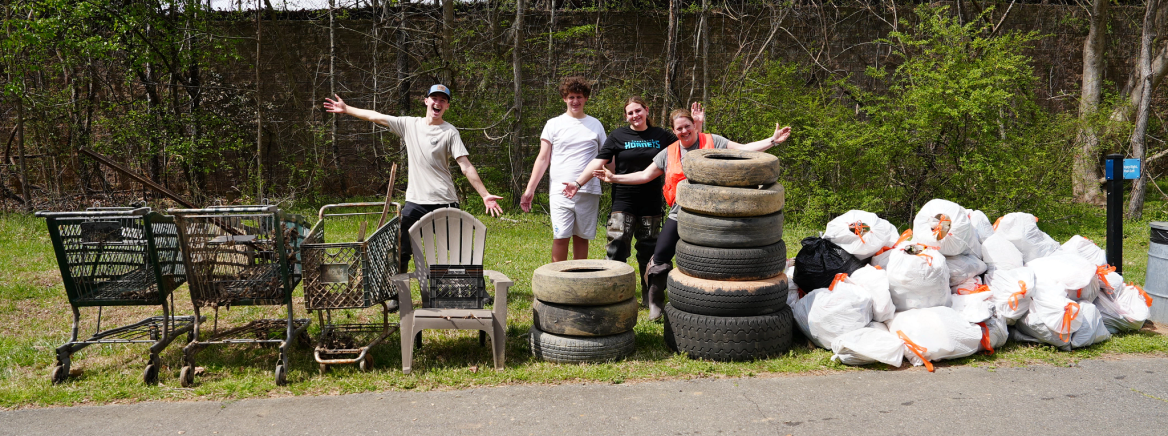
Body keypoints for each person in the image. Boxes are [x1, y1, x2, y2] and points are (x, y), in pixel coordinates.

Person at [594, 104, 792, 320]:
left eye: (687, 126)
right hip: (681, 212)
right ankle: (655, 302)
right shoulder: (668, 152)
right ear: (674, 132)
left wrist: (772, 141)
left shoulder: (713, 142)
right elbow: (644, 175)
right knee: (659, 258)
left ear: (694, 126)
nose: (684, 132)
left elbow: (743, 150)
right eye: (678, 129)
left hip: (715, 214)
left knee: (725, 256)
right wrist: (614, 178)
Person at [323, 84, 503, 273]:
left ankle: (478, 290)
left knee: (461, 250)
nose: (438, 103)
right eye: (434, 98)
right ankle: (397, 295)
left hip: (445, 200)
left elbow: (465, 166)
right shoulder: (410, 124)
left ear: (447, 106)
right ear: (426, 101)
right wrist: (346, 109)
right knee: (401, 247)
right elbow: (375, 116)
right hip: (416, 203)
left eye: (443, 100)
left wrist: (484, 195)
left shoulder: (450, 132)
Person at [563, 97, 699, 305]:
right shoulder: (618, 136)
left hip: (651, 202)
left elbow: (689, 144)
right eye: (630, 113)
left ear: (646, 110)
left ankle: (650, 297)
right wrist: (578, 183)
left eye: (638, 111)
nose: (635, 116)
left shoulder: (662, 135)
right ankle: (614, 296)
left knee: (649, 250)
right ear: (626, 116)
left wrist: (697, 124)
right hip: (623, 201)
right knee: (616, 247)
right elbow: (599, 161)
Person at [520, 77, 607, 262]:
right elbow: (543, 159)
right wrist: (530, 189)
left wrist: (616, 177)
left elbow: (606, 158)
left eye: (579, 97)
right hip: (560, 191)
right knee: (560, 237)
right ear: (564, 98)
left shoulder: (596, 125)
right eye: (571, 97)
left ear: (586, 99)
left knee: (582, 238)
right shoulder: (553, 124)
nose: (575, 101)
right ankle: (557, 281)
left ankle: (578, 278)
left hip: (589, 190)